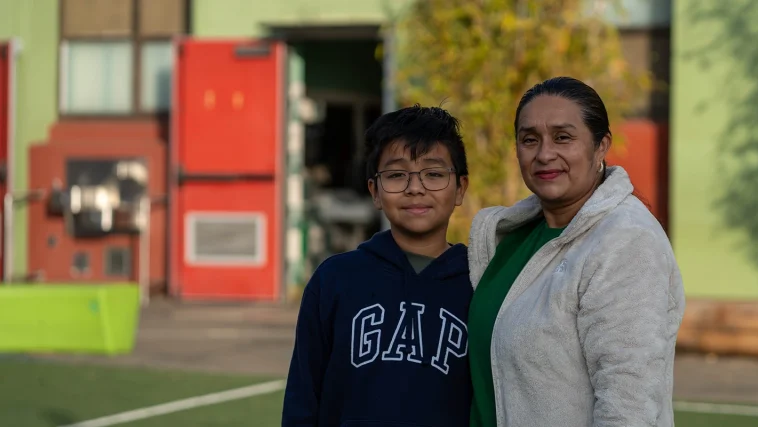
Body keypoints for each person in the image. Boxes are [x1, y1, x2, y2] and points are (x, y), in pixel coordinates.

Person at [467, 77, 686, 427]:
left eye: (563, 137)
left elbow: (628, 404)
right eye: (529, 139)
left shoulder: (626, 241)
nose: (544, 154)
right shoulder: (512, 237)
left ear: (601, 146)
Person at [283, 105, 473, 427]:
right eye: (397, 175)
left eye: (434, 174)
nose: (415, 188)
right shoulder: (335, 280)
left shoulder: (480, 284)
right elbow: (302, 400)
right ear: (374, 191)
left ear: (460, 188)